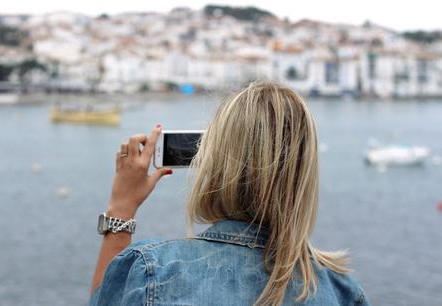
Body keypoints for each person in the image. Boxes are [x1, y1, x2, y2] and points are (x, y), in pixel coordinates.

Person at [89, 82, 370, 306]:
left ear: (215, 160)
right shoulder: (342, 291)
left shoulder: (152, 271)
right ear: (304, 171)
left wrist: (121, 210)